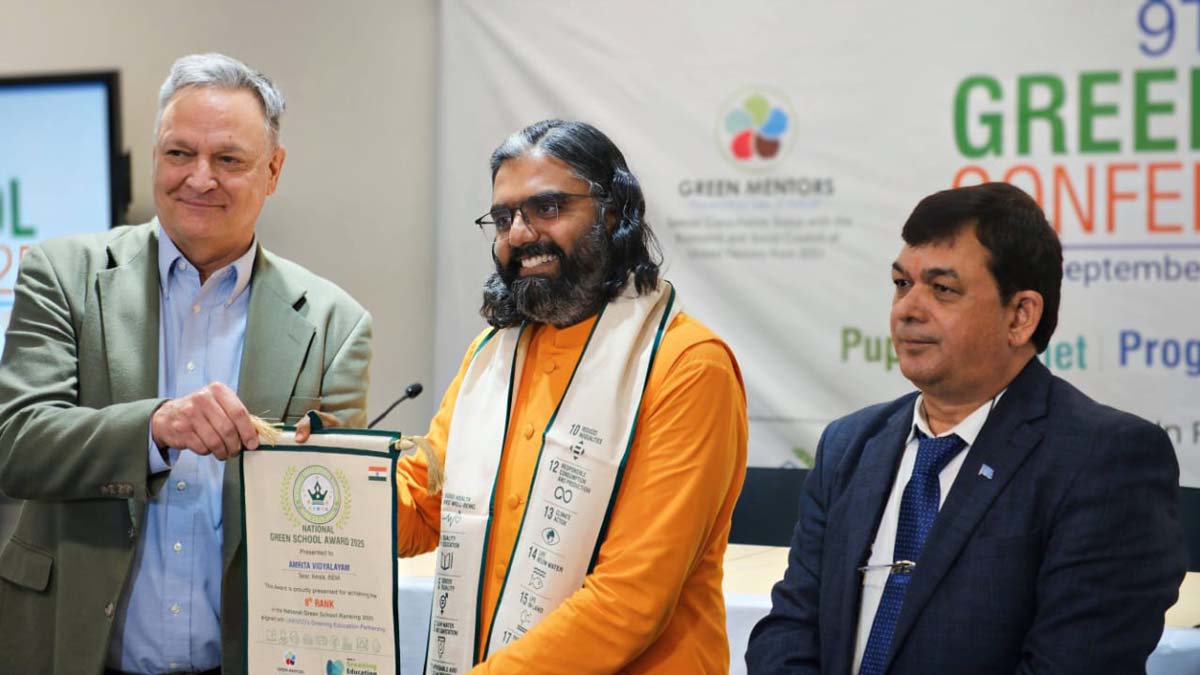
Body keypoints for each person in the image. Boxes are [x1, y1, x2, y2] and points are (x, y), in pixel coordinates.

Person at [0, 53, 372, 675]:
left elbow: (331, 522)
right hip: (72, 650)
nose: (200, 178)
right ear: (155, 156)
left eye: (228, 159)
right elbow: (16, 444)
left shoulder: (334, 326)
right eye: (179, 153)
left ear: (273, 170)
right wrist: (155, 428)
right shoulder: (62, 275)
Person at [745, 182, 1186, 674]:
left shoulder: (1102, 459)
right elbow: (789, 629)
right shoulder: (850, 445)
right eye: (901, 283)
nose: (908, 309)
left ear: (1020, 316)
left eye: (942, 289)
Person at [396, 119, 747, 673]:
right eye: (504, 218)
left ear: (611, 212)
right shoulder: (492, 358)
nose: (519, 234)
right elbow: (420, 507)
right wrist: (301, 466)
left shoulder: (687, 365)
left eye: (547, 208)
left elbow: (630, 600)